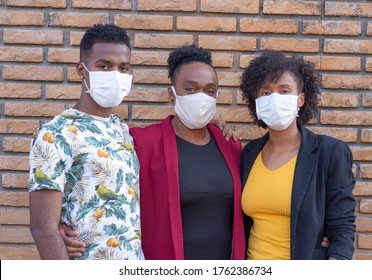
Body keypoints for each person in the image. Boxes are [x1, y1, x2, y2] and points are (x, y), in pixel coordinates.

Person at [61, 45, 246, 260]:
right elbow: (93, 176)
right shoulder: (142, 142)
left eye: (209, 91)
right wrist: (58, 223)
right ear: (172, 93)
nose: (201, 97)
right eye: (191, 89)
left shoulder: (230, 145)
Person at [28, 24, 144, 260]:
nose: (115, 74)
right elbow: (43, 227)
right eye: (104, 66)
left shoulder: (120, 128)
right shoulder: (56, 133)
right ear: (82, 70)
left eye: (123, 68)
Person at [239, 51, 356, 260]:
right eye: (266, 92)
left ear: (300, 99)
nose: (275, 98)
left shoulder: (329, 152)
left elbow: (342, 224)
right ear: (256, 101)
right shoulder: (248, 154)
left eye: (284, 91)